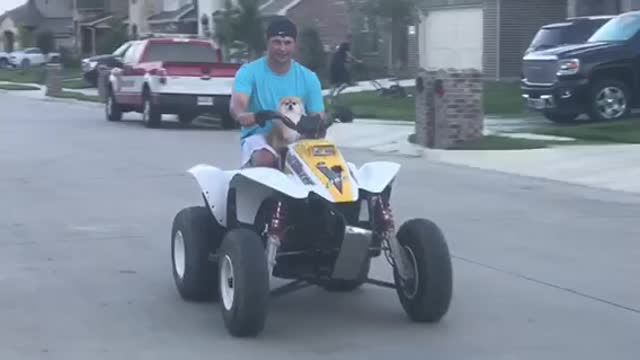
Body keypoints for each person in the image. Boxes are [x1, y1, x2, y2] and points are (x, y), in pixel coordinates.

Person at [229, 16, 325, 169]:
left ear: (294, 44)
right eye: (277, 42)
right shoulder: (249, 72)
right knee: (266, 159)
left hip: (298, 138)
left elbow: (318, 114)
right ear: (268, 43)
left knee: (327, 161)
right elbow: (238, 103)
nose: (282, 48)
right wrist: (243, 115)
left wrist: (317, 122)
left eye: (287, 43)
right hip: (260, 137)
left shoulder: (309, 77)